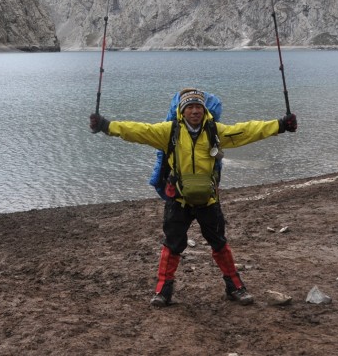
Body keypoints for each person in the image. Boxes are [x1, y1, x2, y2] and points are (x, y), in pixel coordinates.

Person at [89, 88, 297, 307]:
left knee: (219, 243)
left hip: (208, 200)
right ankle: (163, 292)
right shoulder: (168, 131)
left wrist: (281, 125)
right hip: (178, 201)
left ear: (204, 110)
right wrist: (105, 125)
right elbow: (137, 130)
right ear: (182, 111)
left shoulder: (215, 131)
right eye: (190, 107)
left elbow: (247, 131)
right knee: (172, 244)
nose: (195, 111)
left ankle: (235, 287)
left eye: (198, 107)